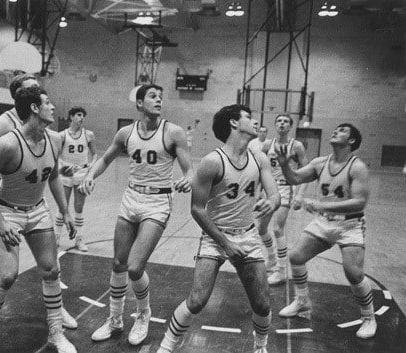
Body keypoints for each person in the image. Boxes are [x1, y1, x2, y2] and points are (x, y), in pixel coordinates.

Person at [156, 104, 280, 353]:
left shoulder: (260, 158)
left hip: (247, 235)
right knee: (197, 300)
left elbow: (275, 194)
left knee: (263, 304)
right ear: (234, 124)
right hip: (216, 238)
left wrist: (271, 203)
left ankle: (260, 347)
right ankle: (167, 345)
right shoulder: (212, 161)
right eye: (248, 117)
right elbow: (197, 209)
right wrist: (225, 243)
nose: (254, 121)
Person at [79, 84, 193, 346]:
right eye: (152, 96)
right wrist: (89, 175)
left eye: (160, 97)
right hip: (131, 198)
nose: (159, 100)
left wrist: (188, 179)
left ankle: (143, 314)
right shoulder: (126, 132)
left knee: (134, 266)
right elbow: (106, 159)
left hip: (157, 202)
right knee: (118, 263)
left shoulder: (173, 132)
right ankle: (115, 319)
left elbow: (190, 170)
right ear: (139, 104)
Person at [0, 86, 76, 353]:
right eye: (48, 103)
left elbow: (52, 175)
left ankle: (56, 334)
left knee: (51, 269)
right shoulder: (8, 143)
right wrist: (0, 221)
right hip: (7, 211)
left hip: (38, 210)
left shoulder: (54, 139)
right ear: (34, 108)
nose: (53, 107)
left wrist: (65, 211)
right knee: (7, 276)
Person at [276, 123, 376, 339]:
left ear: (351, 141)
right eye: (336, 129)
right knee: (296, 256)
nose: (335, 131)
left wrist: (321, 205)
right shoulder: (320, 163)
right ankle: (302, 301)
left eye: (342, 130)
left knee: (354, 272)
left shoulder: (357, 167)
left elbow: (359, 202)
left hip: (350, 225)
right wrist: (285, 164)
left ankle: (368, 316)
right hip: (324, 222)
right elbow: (294, 178)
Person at [258, 114, 308, 285]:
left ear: (290, 126)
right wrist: (258, 190)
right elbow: (260, 168)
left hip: (286, 188)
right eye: (279, 121)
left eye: (285, 121)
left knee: (278, 229)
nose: (282, 124)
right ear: (275, 124)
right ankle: (271, 258)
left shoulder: (297, 146)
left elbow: (306, 171)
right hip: (269, 188)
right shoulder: (267, 145)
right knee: (261, 228)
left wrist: (300, 194)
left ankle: (281, 271)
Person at [54, 106, 98, 252]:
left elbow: (95, 154)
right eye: (79, 115)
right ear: (71, 117)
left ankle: (79, 239)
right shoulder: (62, 135)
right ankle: (56, 238)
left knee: (79, 207)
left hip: (81, 174)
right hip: (66, 174)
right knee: (63, 207)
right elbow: (56, 156)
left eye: (83, 116)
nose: (82, 118)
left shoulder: (88, 134)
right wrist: (62, 167)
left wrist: (91, 167)